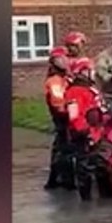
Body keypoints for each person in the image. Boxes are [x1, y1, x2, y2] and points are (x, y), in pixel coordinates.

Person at [63, 58, 111, 198]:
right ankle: (86, 197)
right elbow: (74, 116)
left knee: (100, 164)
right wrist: (84, 132)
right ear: (82, 72)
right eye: (90, 70)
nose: (93, 72)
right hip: (84, 135)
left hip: (97, 132)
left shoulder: (90, 88)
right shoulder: (74, 92)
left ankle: (105, 195)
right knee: (85, 165)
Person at [42, 46, 72, 190]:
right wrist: (69, 112)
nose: (65, 60)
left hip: (65, 116)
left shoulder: (63, 77)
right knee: (64, 148)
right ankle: (65, 181)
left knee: (60, 147)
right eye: (62, 58)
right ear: (54, 61)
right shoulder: (55, 80)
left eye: (66, 57)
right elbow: (58, 101)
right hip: (62, 117)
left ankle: (54, 180)